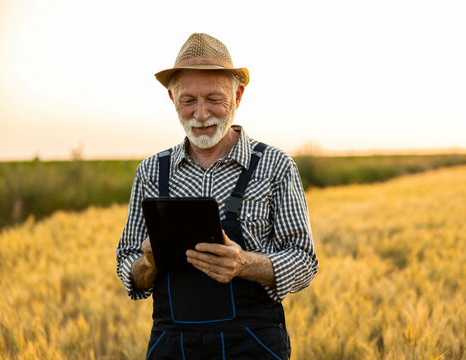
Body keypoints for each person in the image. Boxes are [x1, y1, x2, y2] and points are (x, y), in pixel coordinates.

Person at [116, 33, 318, 360]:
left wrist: (244, 263)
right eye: (188, 100)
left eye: (214, 98)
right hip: (172, 346)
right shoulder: (151, 172)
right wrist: (148, 263)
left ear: (238, 96)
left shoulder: (275, 166)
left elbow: (304, 262)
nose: (201, 114)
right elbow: (129, 267)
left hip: (253, 346)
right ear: (171, 98)